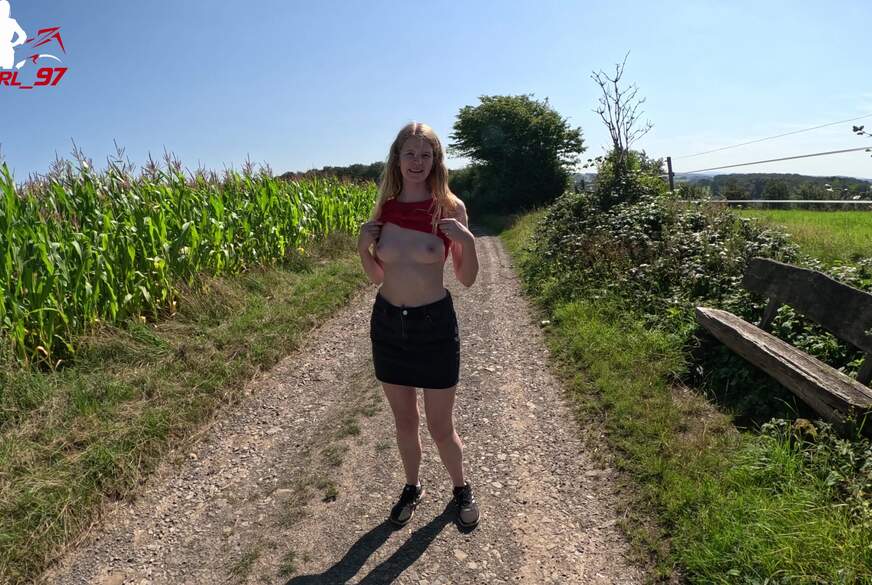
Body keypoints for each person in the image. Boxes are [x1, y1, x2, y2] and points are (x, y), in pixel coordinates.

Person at [357, 122, 480, 529]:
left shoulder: (450, 208)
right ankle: (412, 486)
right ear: (397, 158)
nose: (417, 162)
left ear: (436, 160)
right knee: (404, 422)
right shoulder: (385, 208)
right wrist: (363, 250)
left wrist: (468, 241)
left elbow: (466, 279)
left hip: (434, 327)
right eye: (409, 153)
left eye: (425, 155)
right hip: (389, 325)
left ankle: (460, 487)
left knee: (441, 426)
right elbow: (377, 277)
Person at [0, 0, 26, 70]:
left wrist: (13, 44)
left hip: (7, 52)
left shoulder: (12, 22)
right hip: (8, 51)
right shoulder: (12, 22)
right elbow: (23, 36)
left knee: (6, 73)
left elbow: (23, 35)